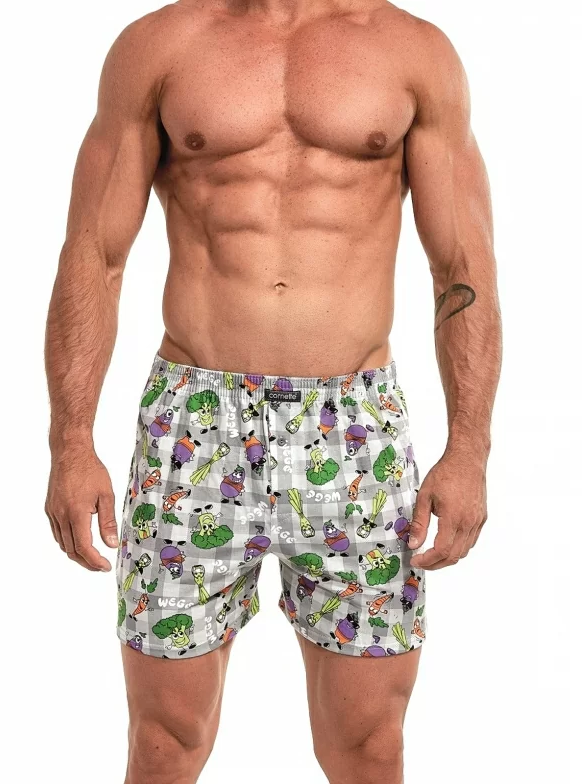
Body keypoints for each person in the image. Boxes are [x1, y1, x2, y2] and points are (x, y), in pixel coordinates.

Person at [44, 1, 501, 782]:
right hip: (194, 426)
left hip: (354, 427)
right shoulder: (161, 46)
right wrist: (70, 441)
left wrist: (470, 449)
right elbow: (94, 253)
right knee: (164, 744)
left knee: (367, 746)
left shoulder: (413, 54)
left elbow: (462, 265)